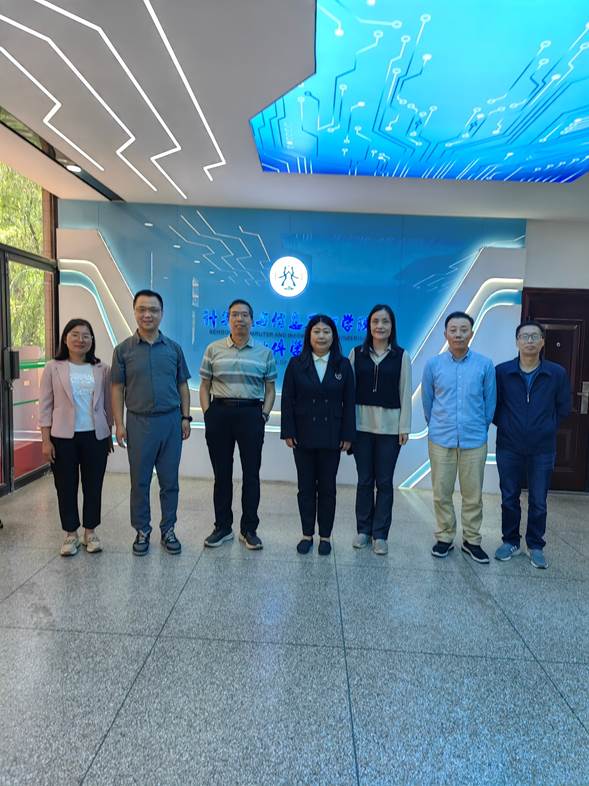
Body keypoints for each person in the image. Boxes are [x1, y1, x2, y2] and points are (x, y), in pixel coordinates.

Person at [111, 289, 191, 556]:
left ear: (161, 313)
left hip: (170, 422)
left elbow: (182, 385)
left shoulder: (174, 349)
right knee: (140, 482)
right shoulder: (123, 350)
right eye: (142, 309)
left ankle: (168, 529)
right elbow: (117, 388)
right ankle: (142, 530)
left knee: (170, 482)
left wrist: (185, 417)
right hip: (138, 423)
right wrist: (119, 424)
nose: (148, 314)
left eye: (153, 310)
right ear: (135, 312)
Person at [200, 299, 277, 550]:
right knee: (221, 474)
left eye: (244, 315)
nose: (239, 319)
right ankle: (223, 527)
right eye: (235, 315)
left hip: (251, 414)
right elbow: (204, 385)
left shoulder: (264, 353)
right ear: (228, 319)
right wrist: (208, 413)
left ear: (252, 320)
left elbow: (270, 388)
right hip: (220, 413)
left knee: (251, 475)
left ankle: (249, 529)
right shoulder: (213, 349)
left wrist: (264, 414)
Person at [493, 320, 571, 569]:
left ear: (542, 342)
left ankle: (535, 545)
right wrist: (509, 425)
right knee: (509, 497)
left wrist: (544, 427)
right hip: (509, 445)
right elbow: (494, 406)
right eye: (524, 336)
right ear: (517, 342)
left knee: (538, 500)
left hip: (542, 448)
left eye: (534, 336)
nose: (529, 341)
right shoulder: (502, 372)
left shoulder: (556, 373)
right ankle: (510, 541)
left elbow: (563, 408)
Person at [421, 311, 496, 563]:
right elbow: (428, 402)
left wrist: (479, 428)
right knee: (441, 493)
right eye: (453, 330)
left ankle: (472, 541)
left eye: (464, 330)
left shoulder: (484, 365)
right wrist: (437, 426)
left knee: (473, 495)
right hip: (441, 439)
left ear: (471, 334)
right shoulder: (433, 365)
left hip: (474, 440)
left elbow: (490, 404)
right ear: (445, 334)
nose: (458, 334)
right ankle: (444, 537)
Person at [281, 315, 355, 555]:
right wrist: (288, 431)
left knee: (327, 488)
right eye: (316, 331)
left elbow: (349, 402)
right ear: (309, 336)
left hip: (332, 435)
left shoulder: (343, 365)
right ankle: (306, 534)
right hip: (303, 434)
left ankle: (325, 536)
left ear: (334, 336)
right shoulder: (296, 363)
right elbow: (287, 400)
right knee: (305, 488)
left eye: (326, 332)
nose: (321, 336)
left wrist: (348, 434)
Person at [39, 319, 113, 556]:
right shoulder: (53, 367)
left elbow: (108, 405)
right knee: (65, 486)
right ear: (65, 338)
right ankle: (71, 534)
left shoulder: (102, 368)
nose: (81, 340)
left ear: (92, 340)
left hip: (95, 436)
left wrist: (108, 433)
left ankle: (90, 532)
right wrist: (45, 440)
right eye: (75, 334)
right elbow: (45, 406)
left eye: (86, 335)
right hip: (62, 438)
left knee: (94, 486)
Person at [348, 304, 412, 555]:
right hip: (361, 427)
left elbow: (405, 392)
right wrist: (347, 427)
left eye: (385, 321)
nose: (380, 326)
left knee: (384, 482)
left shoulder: (401, 356)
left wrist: (404, 426)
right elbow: (348, 393)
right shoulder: (357, 354)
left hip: (390, 429)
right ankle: (363, 530)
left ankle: (380, 534)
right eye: (375, 321)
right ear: (369, 325)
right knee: (365, 480)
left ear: (392, 326)